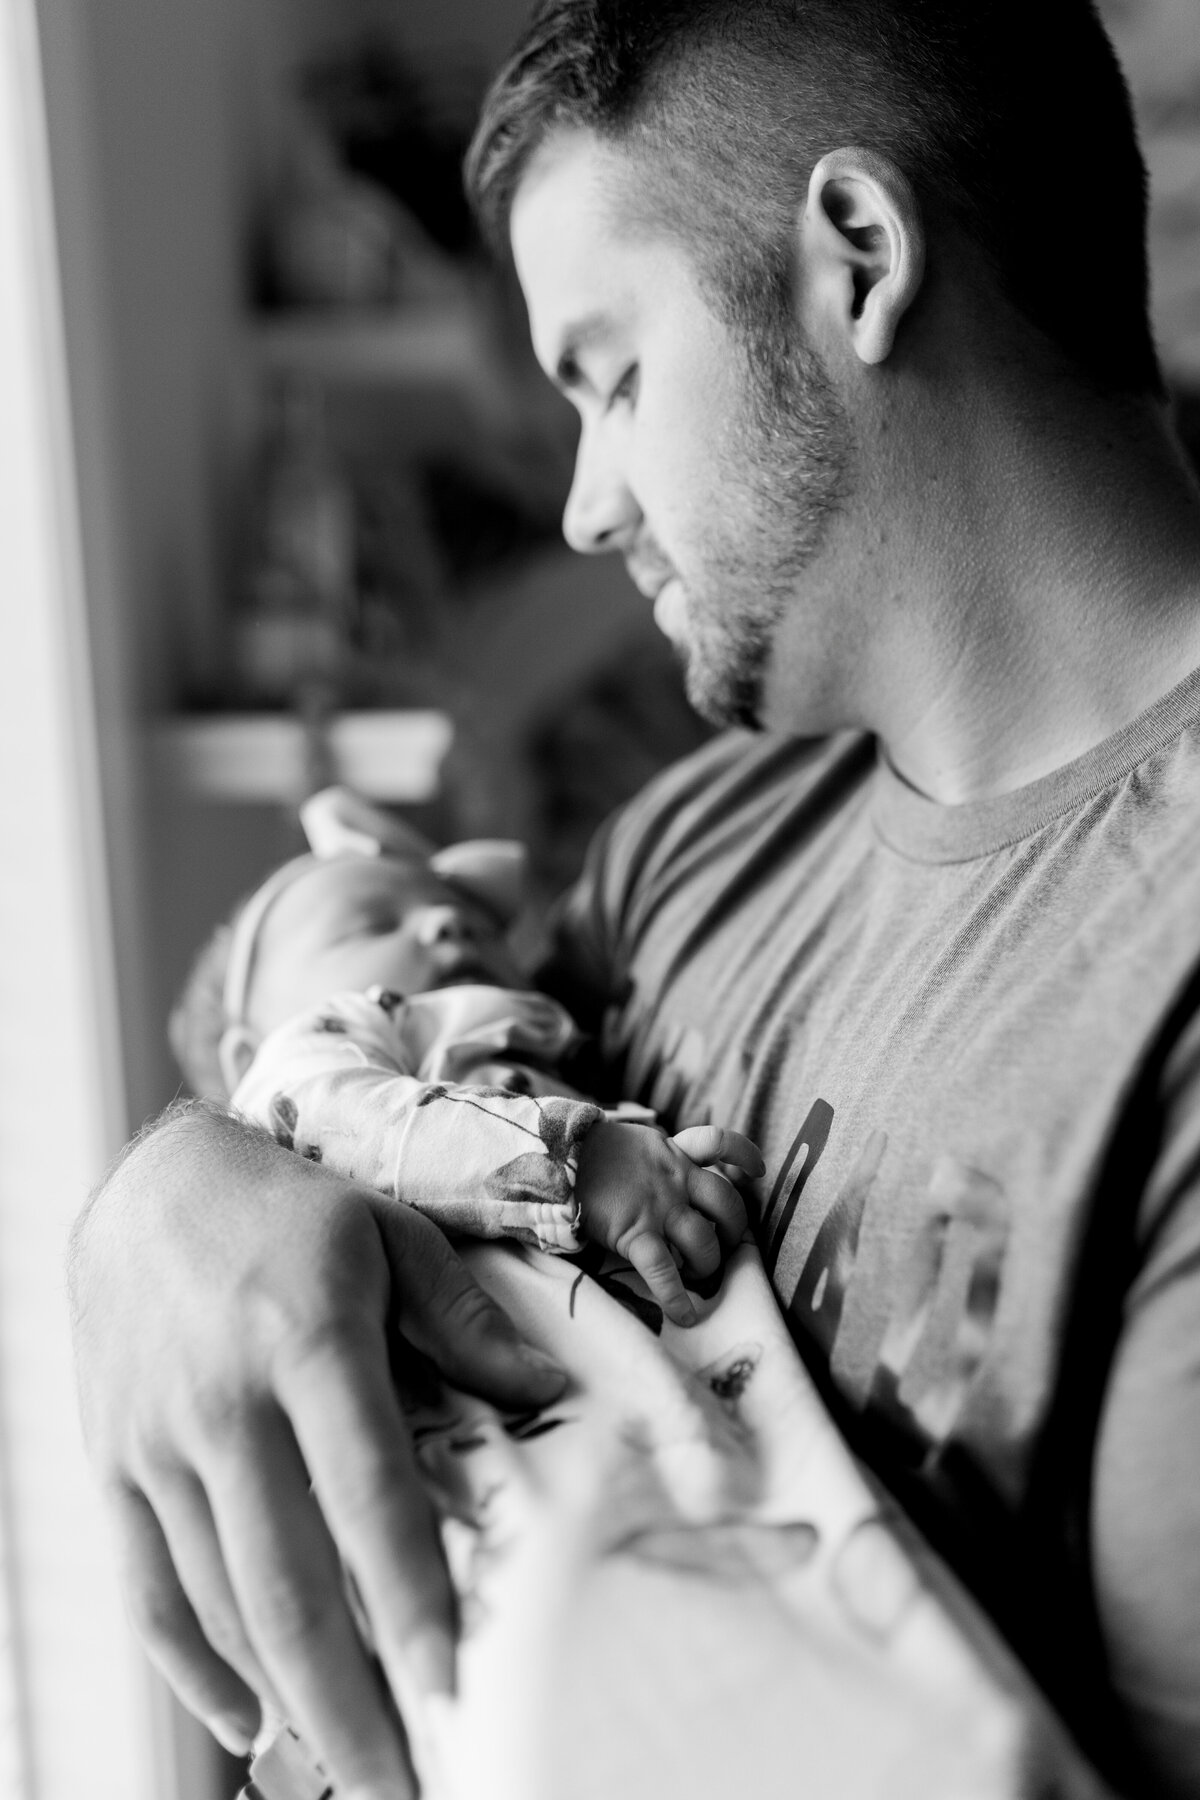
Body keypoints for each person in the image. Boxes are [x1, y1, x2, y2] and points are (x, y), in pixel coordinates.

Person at [68, 2, 1200, 1796]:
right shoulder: (691, 851)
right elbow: (385, 1080)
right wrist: (170, 1197)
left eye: (609, 375)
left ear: (859, 257)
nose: (586, 509)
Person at [171, 785, 756, 1328]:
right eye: (371, 924)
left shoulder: (573, 1047)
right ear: (250, 1058)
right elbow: (316, 1110)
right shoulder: (317, 1059)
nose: (446, 918)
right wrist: (587, 1163)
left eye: (477, 923)